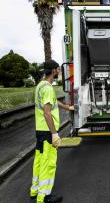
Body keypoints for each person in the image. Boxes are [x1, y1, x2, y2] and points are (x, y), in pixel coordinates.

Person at [30, 60, 74, 203]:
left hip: (40, 130)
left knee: (39, 161)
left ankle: (35, 190)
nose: (59, 72)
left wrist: (67, 107)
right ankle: (44, 197)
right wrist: (54, 133)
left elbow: (53, 101)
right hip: (48, 132)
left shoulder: (41, 86)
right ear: (54, 71)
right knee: (48, 164)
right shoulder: (48, 88)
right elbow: (47, 113)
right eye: (58, 70)